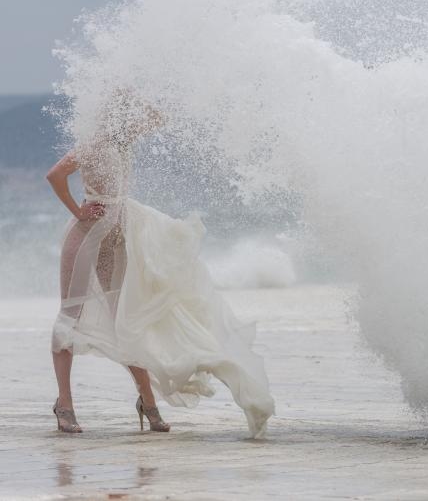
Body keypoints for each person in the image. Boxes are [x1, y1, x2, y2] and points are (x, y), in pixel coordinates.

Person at [46, 90, 274, 437]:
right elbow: (55, 175)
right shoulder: (93, 141)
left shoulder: (124, 140)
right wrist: (78, 211)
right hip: (87, 235)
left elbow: (158, 118)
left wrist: (132, 97)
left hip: (118, 235)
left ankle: (147, 402)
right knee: (70, 315)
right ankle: (65, 404)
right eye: (122, 112)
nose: (130, 120)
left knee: (126, 320)